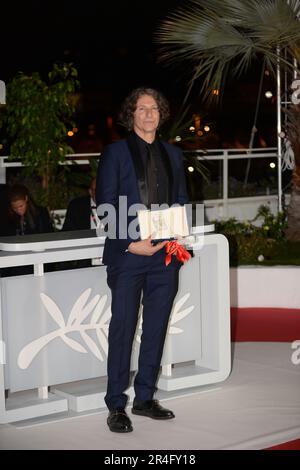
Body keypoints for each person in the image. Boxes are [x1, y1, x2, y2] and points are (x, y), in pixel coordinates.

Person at [96, 87, 189, 433]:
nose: (149, 114)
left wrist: (178, 230)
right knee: (122, 328)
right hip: (128, 257)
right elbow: (105, 205)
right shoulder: (115, 153)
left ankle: (145, 397)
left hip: (165, 256)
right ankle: (116, 405)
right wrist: (129, 243)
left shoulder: (174, 154)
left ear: (161, 115)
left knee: (156, 327)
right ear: (131, 115)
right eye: (141, 109)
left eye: (154, 109)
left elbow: (180, 198)